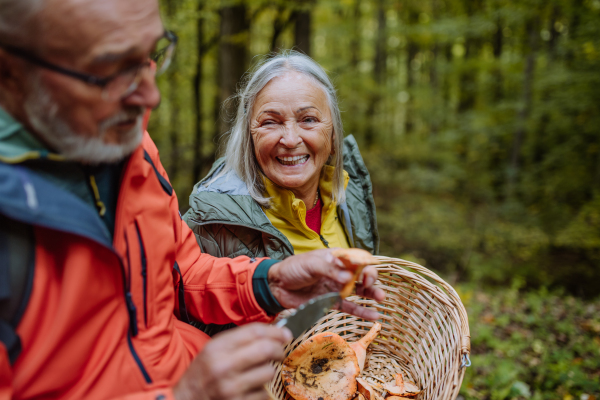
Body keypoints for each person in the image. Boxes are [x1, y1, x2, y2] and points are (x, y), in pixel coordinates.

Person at [0, 1, 385, 399]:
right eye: (113, 68)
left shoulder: (133, 149)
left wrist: (267, 283)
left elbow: (181, 272)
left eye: (151, 55)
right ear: (13, 71)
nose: (151, 95)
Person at [184, 52, 379, 263]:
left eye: (308, 119)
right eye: (270, 122)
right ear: (248, 138)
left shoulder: (350, 196)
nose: (290, 139)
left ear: (333, 136)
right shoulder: (210, 225)